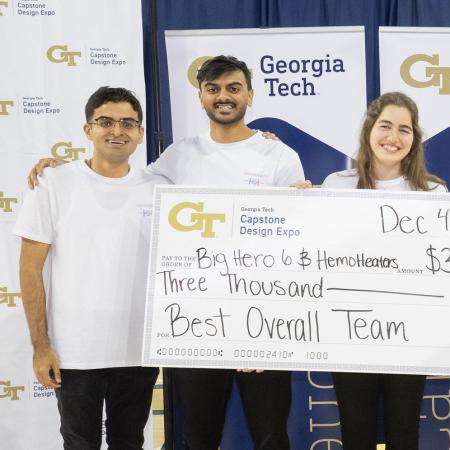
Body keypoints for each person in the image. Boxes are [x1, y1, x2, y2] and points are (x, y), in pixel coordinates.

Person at [28, 55, 306, 450]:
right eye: (213, 89)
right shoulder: (180, 155)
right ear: (201, 97)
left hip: (262, 321)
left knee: (271, 436)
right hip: (196, 320)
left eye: (233, 88)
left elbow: (296, 240)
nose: (223, 97)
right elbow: (118, 179)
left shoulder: (281, 157)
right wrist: (64, 168)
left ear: (250, 95)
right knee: (196, 437)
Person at [14, 87, 162, 449]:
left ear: (141, 133)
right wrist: (41, 344)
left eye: (128, 122)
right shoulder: (53, 183)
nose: (117, 130)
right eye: (105, 121)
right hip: (74, 351)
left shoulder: (160, 188)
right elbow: (30, 270)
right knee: (80, 444)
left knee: (129, 442)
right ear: (87, 129)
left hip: (139, 350)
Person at [320, 92, 446, 449]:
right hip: (349, 332)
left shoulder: (434, 192)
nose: (393, 137)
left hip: (410, 335)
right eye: (386, 126)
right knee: (356, 432)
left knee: (403, 434)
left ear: (414, 139)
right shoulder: (336, 185)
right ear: (369, 130)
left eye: (404, 129)